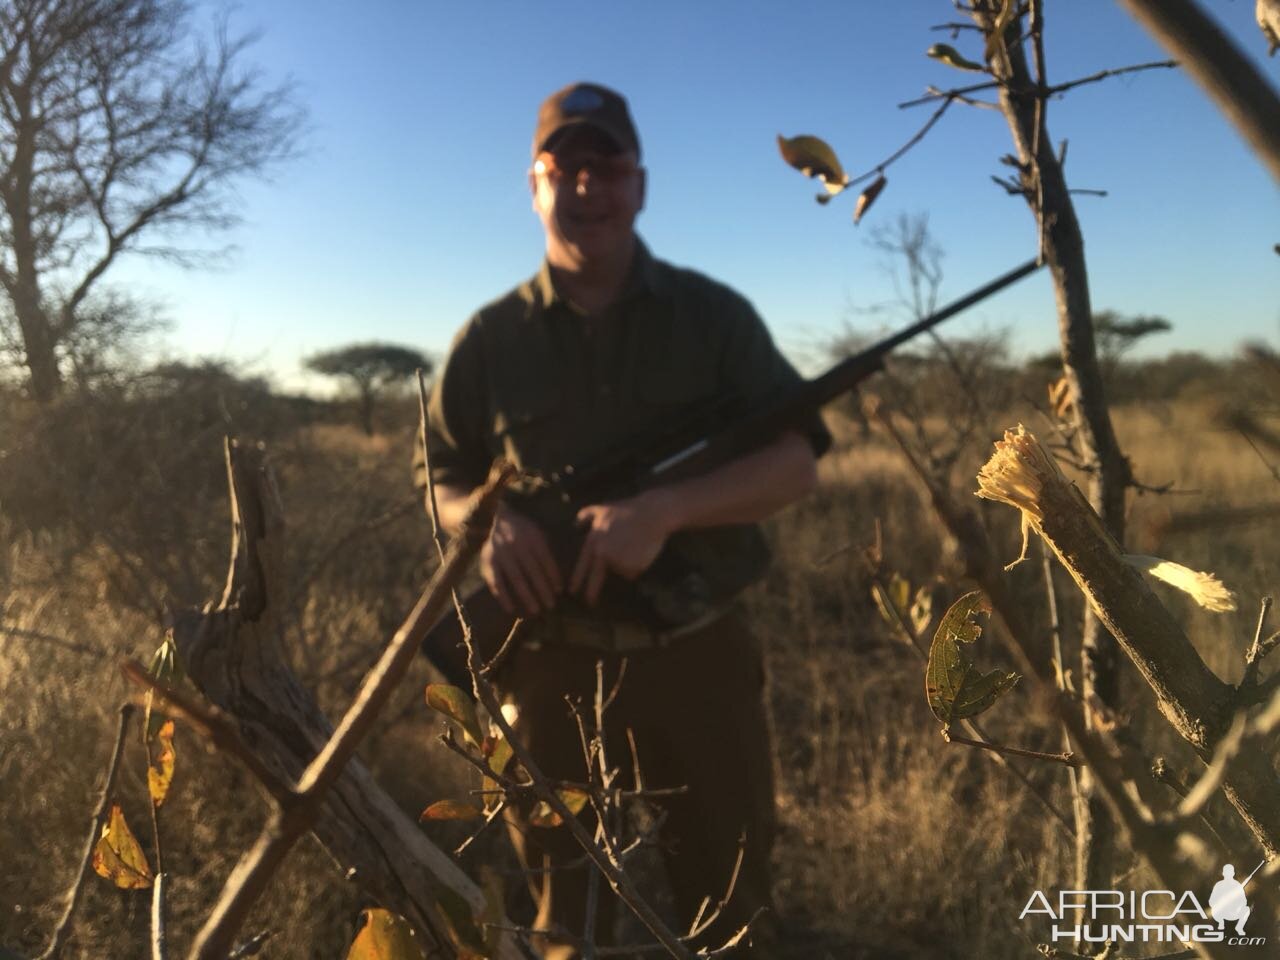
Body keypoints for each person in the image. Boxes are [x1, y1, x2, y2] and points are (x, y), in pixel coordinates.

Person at [418, 81, 830, 959]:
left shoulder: (714, 318)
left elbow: (796, 461)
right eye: (562, 167)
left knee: (732, 912)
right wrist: (486, 527)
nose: (586, 187)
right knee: (564, 922)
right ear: (533, 186)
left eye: (606, 167)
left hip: (701, 660)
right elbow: (440, 474)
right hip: (550, 670)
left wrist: (667, 510)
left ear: (638, 186)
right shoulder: (487, 340)